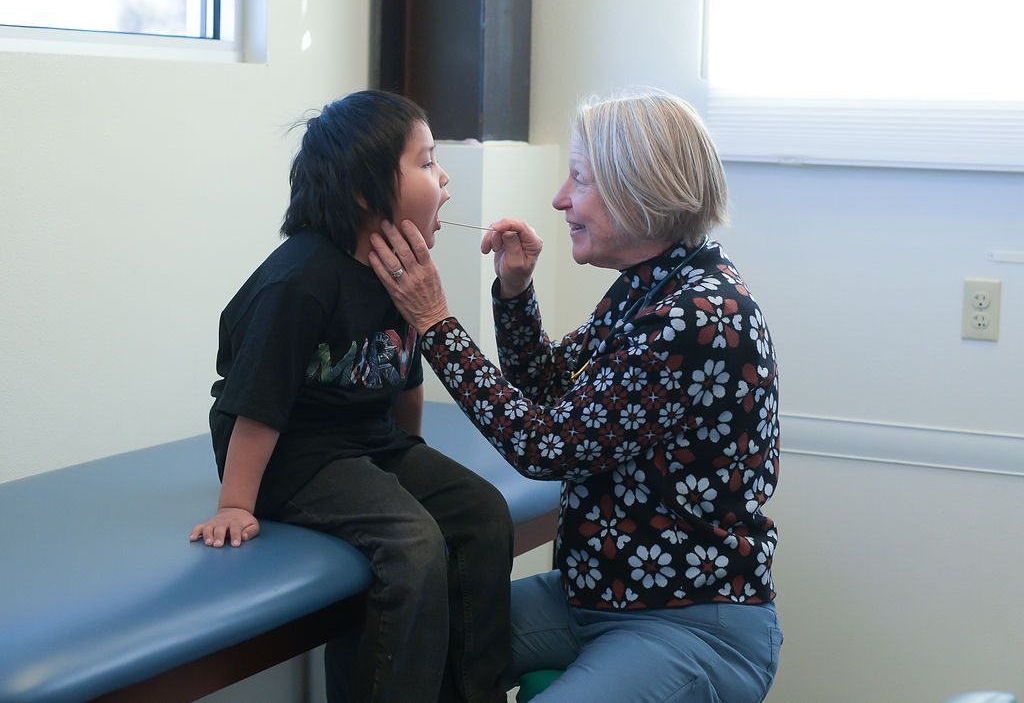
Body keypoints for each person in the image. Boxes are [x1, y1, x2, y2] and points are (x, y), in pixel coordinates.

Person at [368, 90, 782, 702]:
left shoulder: (697, 314)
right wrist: (514, 294)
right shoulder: (655, 285)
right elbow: (556, 389)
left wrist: (434, 323)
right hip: (594, 598)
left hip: (690, 623)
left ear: (638, 190)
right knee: (407, 640)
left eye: (580, 180)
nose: (560, 198)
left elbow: (549, 446)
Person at [188, 89, 514, 703]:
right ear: (365, 193)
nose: (444, 179)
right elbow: (255, 403)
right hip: (295, 453)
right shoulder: (299, 280)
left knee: (482, 514)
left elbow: (404, 377)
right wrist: (235, 503)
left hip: (369, 440)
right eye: (425, 162)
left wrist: (412, 459)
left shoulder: (402, 271)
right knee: (413, 546)